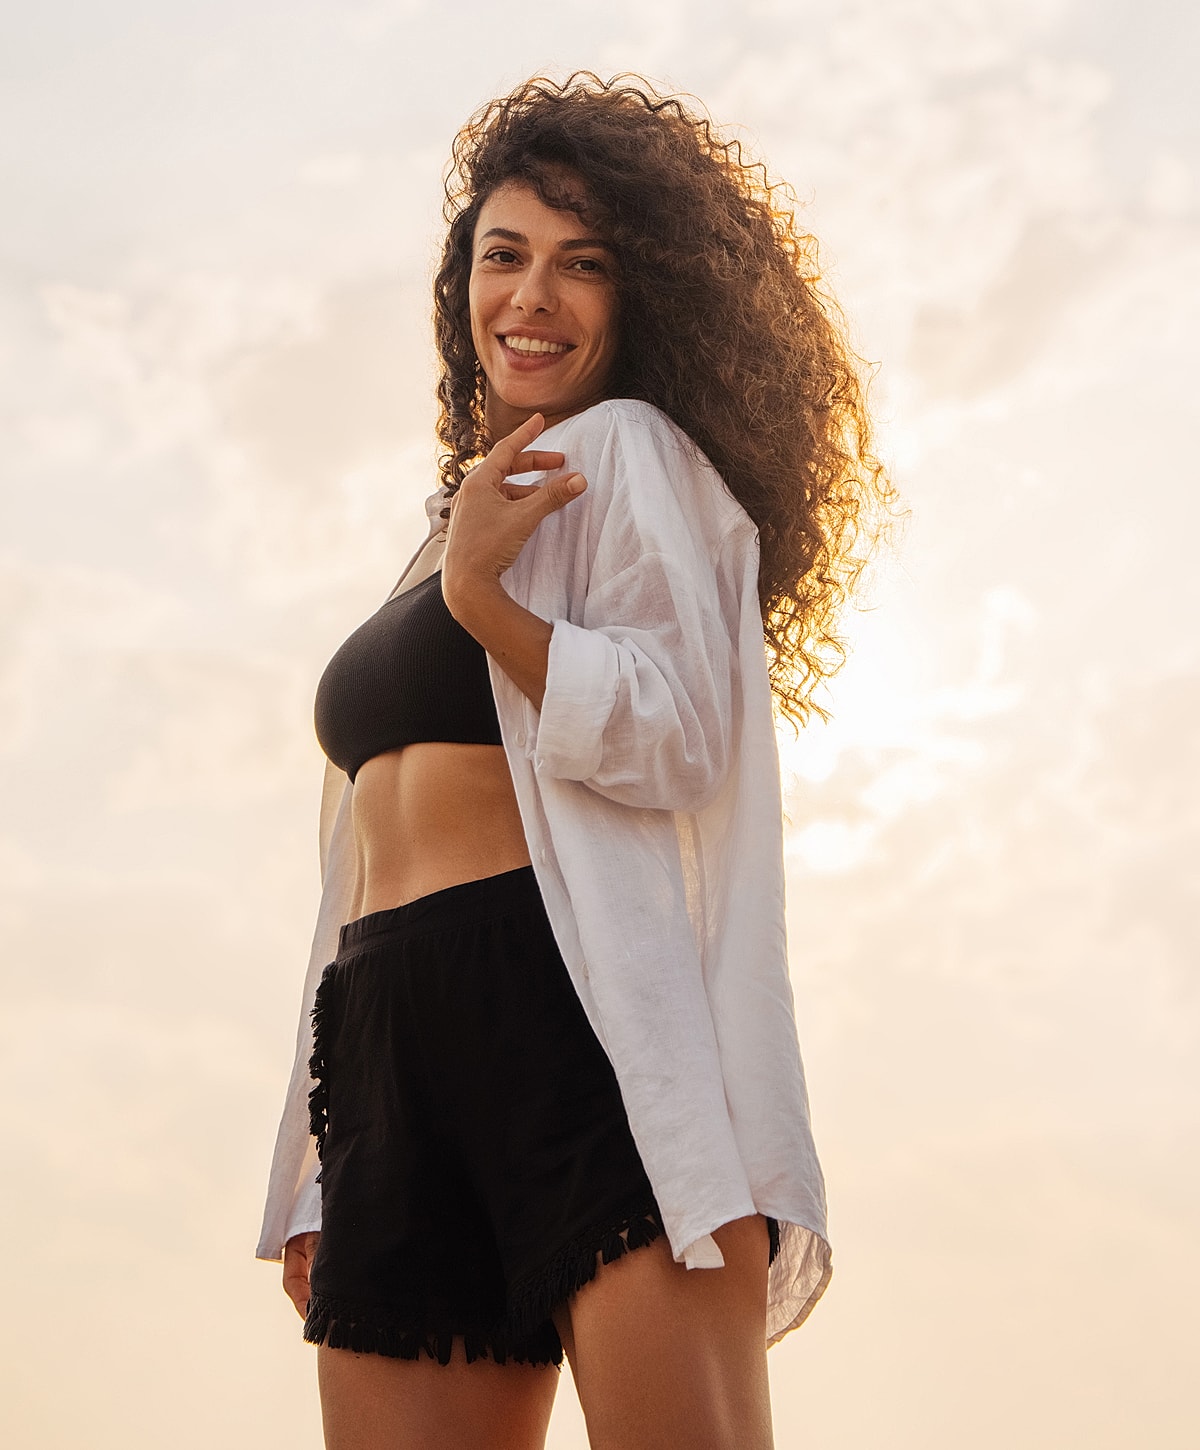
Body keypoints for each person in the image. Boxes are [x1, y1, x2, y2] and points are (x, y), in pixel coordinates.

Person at [257, 73, 891, 1450]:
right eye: (504, 256)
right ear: (462, 285)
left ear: (639, 294)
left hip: (575, 1026)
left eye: (581, 265)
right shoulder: (451, 523)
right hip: (388, 1048)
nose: (532, 297)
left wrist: (493, 608)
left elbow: (679, 734)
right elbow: (352, 868)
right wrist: (319, 1163)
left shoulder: (634, 456)